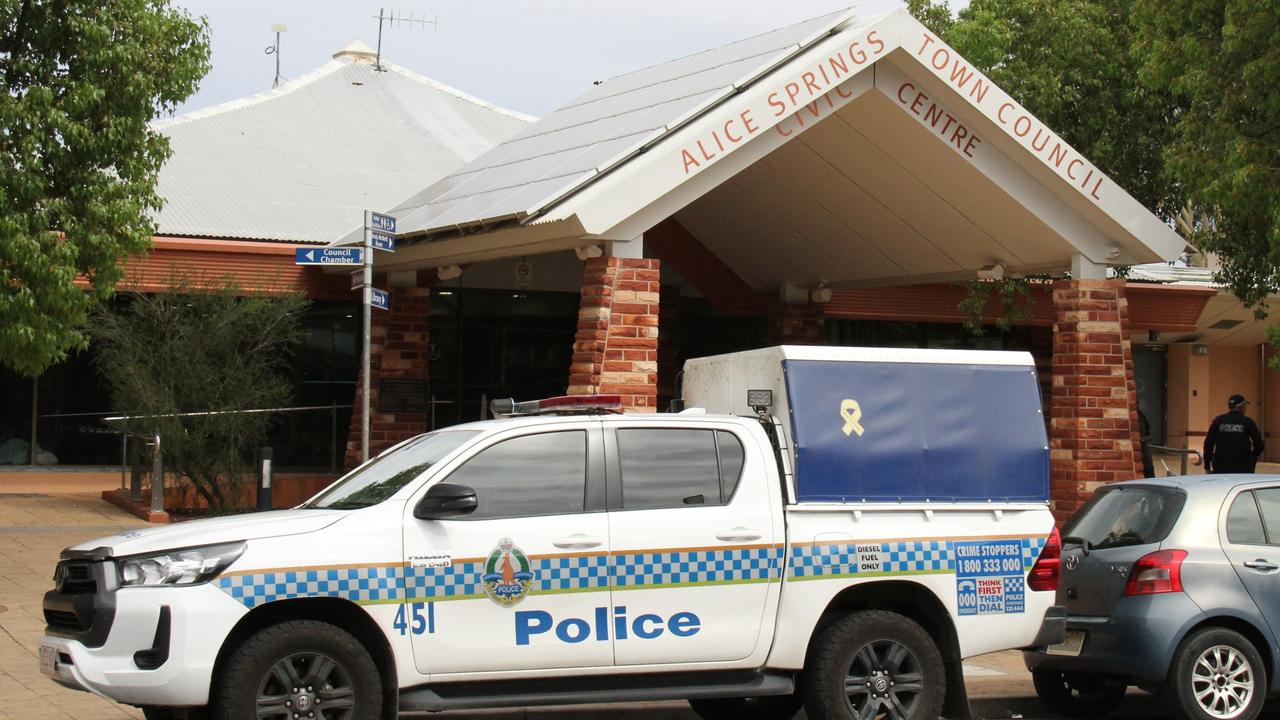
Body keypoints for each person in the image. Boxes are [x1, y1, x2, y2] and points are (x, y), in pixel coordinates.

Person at [1204, 394, 1264, 473]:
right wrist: (1251, 457)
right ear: (1241, 407)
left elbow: (1208, 445)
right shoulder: (1247, 422)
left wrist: (1207, 466)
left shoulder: (1218, 421)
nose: (1245, 408)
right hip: (1243, 468)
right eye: (1245, 406)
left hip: (1221, 467)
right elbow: (1259, 445)